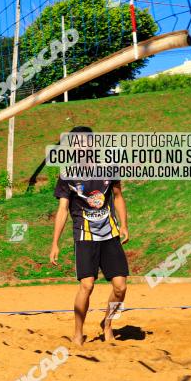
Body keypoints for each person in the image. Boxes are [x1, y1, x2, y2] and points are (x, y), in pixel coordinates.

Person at [49, 126, 129, 345]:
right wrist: (55, 243)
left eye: (86, 142)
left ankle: (107, 324)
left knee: (120, 287)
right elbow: (63, 209)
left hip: (109, 234)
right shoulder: (67, 175)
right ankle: (78, 332)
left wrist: (124, 225)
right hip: (84, 236)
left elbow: (118, 196)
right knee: (87, 285)